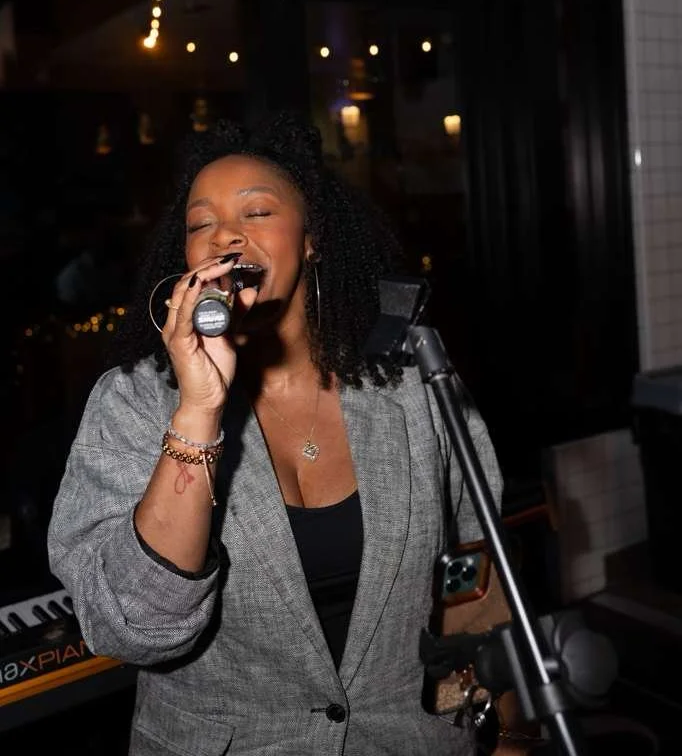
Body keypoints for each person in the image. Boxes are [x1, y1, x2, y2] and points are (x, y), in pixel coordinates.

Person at [47, 110, 518, 756]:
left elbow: (475, 564)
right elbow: (133, 629)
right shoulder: (132, 401)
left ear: (313, 238)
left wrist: (506, 726)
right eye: (201, 224)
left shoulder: (411, 384)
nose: (224, 238)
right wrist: (198, 412)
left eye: (257, 212)